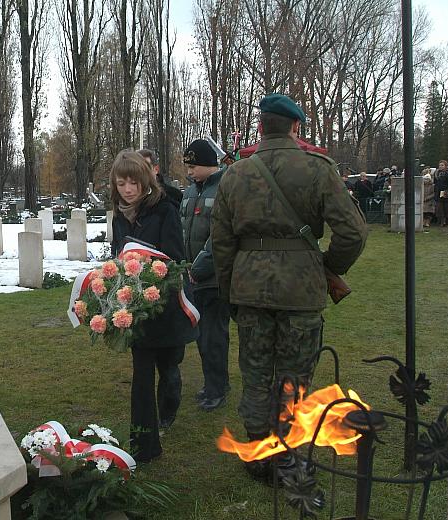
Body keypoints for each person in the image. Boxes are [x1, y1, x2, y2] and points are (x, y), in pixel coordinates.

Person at [211, 93, 367, 482]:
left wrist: (231, 290)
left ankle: (257, 452)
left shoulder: (235, 174)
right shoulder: (318, 168)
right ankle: (284, 456)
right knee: (293, 377)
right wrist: (327, 267)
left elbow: (221, 244)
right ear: (295, 126)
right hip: (300, 292)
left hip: (249, 289)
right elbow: (352, 232)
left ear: (261, 127)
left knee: (255, 373)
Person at [110, 150, 198, 463]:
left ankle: (169, 407)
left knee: (169, 369)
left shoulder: (165, 210)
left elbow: (175, 258)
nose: (127, 189)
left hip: (166, 306)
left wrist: (149, 277)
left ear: (145, 180)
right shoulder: (119, 215)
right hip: (138, 310)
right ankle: (144, 444)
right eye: (121, 183)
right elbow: (118, 254)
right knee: (142, 375)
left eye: (133, 182)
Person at [180, 139, 232, 411]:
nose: (189, 172)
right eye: (188, 167)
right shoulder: (190, 191)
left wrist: (201, 266)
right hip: (192, 276)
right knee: (202, 336)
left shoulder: (224, 188)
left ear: (209, 164)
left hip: (214, 278)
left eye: (194, 166)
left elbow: (221, 235)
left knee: (214, 336)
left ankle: (217, 388)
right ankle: (213, 382)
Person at [434, 160, 448, 227]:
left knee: (446, 207)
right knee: (439, 207)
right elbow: (436, 183)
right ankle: (440, 220)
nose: (440, 166)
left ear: (445, 166)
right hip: (438, 192)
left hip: (446, 192)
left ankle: (446, 220)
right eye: (440, 165)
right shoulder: (437, 173)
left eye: (442, 165)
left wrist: (447, 191)